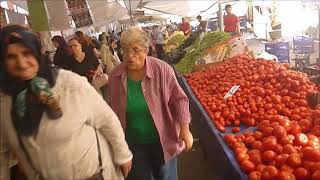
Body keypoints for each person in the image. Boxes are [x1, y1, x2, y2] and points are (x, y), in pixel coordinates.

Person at [0, 25, 132, 180]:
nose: (21, 63)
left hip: (94, 174)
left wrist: (123, 155)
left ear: (36, 52)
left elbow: (106, 118)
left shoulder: (68, 83)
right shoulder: (5, 100)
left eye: (27, 53)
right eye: (11, 57)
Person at [107, 26, 193, 180]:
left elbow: (179, 99)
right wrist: (118, 148)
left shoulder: (162, 70)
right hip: (133, 143)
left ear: (146, 50)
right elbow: (111, 113)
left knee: (167, 176)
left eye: (136, 50)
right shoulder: (115, 76)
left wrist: (185, 129)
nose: (129, 56)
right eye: (125, 50)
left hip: (164, 140)